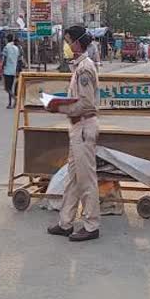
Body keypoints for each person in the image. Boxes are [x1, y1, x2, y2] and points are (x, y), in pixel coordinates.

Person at [46, 25, 101, 242]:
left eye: (68, 41)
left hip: (84, 126)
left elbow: (85, 103)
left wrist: (59, 107)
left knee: (86, 179)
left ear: (77, 43)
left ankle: (91, 224)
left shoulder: (84, 69)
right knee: (73, 178)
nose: (66, 46)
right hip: (77, 127)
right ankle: (65, 222)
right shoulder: (78, 66)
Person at [1, 34, 20, 109]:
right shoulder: (16, 48)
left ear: (7, 39)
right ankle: (10, 104)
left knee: (7, 88)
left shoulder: (6, 47)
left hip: (7, 70)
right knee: (10, 88)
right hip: (13, 70)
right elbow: (18, 59)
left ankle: (15, 99)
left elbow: (4, 59)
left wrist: (2, 67)